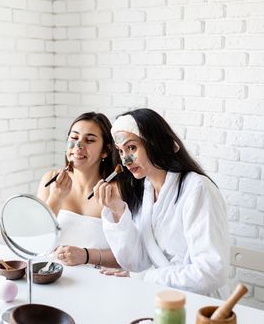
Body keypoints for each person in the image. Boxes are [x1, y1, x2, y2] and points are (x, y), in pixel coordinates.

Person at [93, 108, 230, 297]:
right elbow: (136, 263)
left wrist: (146, 278)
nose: (125, 160)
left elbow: (212, 271)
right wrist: (117, 210)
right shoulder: (145, 191)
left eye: (132, 147)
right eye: (121, 151)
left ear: (155, 143)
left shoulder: (197, 189)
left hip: (200, 304)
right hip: (161, 296)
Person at [37, 112, 120, 268]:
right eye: (74, 138)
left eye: (89, 140)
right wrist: (55, 200)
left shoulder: (115, 192)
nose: (78, 146)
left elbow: (129, 256)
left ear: (106, 150)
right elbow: (36, 245)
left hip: (102, 284)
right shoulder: (49, 181)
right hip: (54, 280)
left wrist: (86, 256)